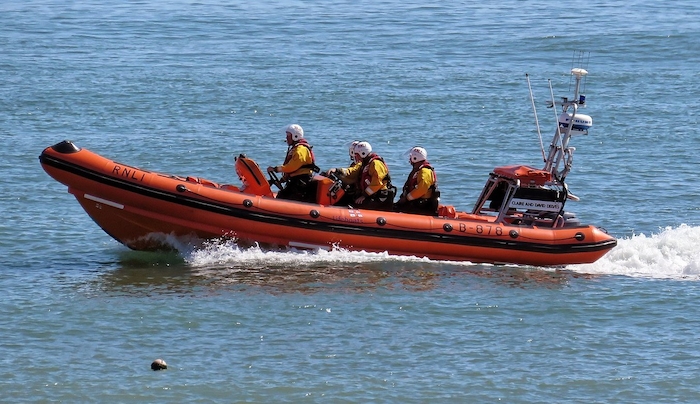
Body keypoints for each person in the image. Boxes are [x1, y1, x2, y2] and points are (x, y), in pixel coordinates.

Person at [266, 124, 319, 202]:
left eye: (288, 135)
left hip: (300, 183)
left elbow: (292, 167)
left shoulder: (300, 150)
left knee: (283, 199)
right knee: (282, 195)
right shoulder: (296, 148)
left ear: (295, 136)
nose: (286, 138)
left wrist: (276, 169)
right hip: (295, 181)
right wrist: (282, 180)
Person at [344, 141, 395, 211]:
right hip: (371, 194)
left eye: (357, 155)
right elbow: (353, 172)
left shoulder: (375, 163)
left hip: (380, 196)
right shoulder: (365, 164)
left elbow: (377, 183)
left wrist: (364, 195)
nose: (356, 157)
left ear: (363, 153)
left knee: (357, 205)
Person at [395, 146, 440, 215]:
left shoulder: (425, 171)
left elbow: (421, 189)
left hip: (421, 205)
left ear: (415, 158)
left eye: (411, 157)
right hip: (416, 202)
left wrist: (407, 198)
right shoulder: (419, 170)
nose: (409, 159)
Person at [325, 141, 361, 206]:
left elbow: (351, 176)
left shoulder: (359, 164)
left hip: (356, 193)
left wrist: (337, 171)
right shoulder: (355, 164)